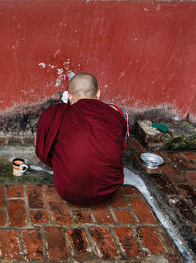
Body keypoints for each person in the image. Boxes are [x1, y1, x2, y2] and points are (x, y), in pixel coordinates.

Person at [35, 73, 129, 205]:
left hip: (68, 191)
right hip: (108, 191)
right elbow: (121, 143)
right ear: (98, 94)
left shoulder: (56, 114)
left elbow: (40, 147)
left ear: (70, 96)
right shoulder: (116, 114)